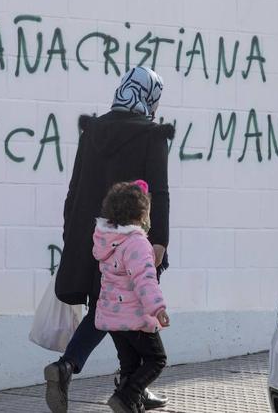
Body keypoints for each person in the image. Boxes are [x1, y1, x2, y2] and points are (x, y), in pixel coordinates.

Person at [45, 66, 173, 413]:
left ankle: (127, 387)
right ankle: (77, 368)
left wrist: (70, 233)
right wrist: (159, 240)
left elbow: (74, 187)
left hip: (90, 237)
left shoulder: (93, 130)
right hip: (131, 241)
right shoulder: (152, 135)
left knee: (109, 308)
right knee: (122, 308)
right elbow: (159, 193)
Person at [93, 181, 169, 413]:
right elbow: (144, 280)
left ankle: (131, 402)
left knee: (129, 364)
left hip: (113, 319)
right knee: (156, 359)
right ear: (141, 214)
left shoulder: (107, 241)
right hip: (136, 317)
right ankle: (127, 396)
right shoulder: (137, 243)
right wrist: (158, 308)